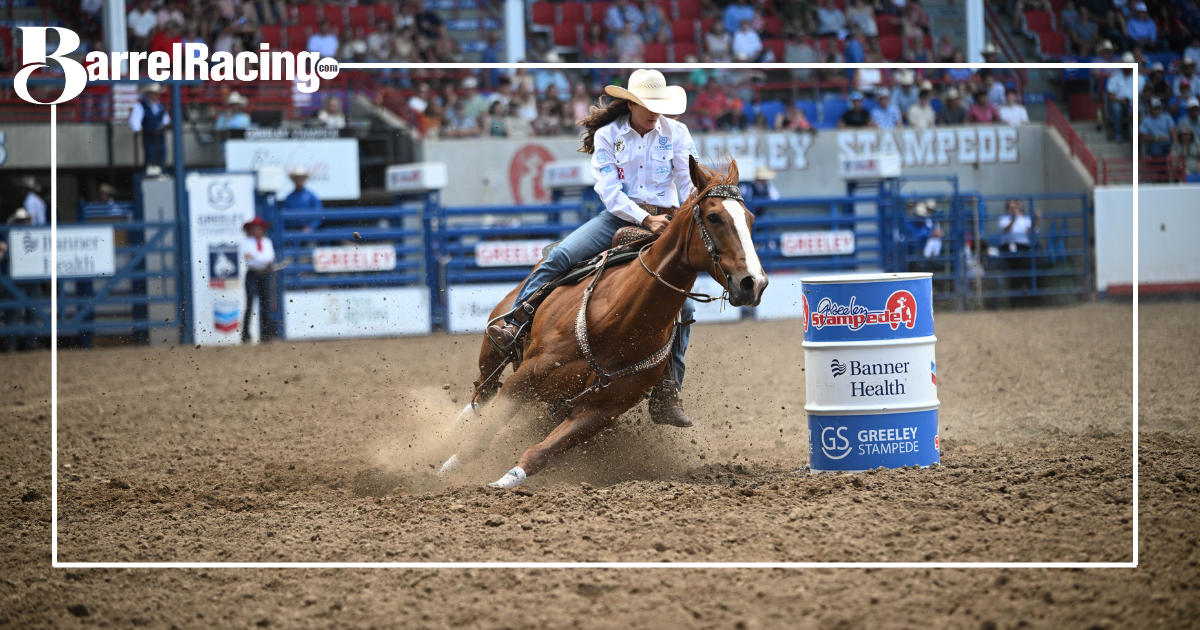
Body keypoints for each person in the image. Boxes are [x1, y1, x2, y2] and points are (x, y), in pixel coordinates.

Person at [486, 69, 699, 428]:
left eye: (659, 105)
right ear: (631, 103)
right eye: (647, 104)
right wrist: (645, 220)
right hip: (619, 217)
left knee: (685, 305)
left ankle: (667, 391)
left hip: (666, 221)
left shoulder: (677, 133)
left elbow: (689, 180)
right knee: (560, 257)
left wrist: (679, 218)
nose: (654, 111)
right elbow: (610, 192)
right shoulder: (608, 135)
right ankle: (515, 322)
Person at [240, 216, 277, 344]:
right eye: (254, 228)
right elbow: (254, 259)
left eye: (259, 228)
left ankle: (266, 335)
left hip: (265, 274)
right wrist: (260, 258)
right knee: (250, 304)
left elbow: (269, 257)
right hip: (253, 274)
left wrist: (255, 256)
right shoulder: (247, 242)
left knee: (265, 304)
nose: (257, 231)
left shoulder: (267, 242)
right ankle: (245, 335)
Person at [998, 198, 1038, 304]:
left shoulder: (1025, 219)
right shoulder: (1004, 219)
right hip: (1010, 246)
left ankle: (1026, 297)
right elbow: (1006, 229)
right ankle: (1016, 299)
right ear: (1007, 209)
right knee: (1016, 267)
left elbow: (1031, 232)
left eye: (1015, 207)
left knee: (1023, 267)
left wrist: (1036, 219)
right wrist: (1013, 219)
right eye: (1011, 207)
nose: (1013, 209)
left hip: (1023, 247)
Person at [129, 83, 170, 173]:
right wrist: (138, 129)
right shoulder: (141, 106)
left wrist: (165, 127)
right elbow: (135, 121)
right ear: (148, 93)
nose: (155, 95)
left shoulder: (161, 107)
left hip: (159, 135)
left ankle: (161, 171)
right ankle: (150, 171)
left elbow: (166, 121)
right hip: (148, 135)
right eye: (153, 93)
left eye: (156, 93)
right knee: (149, 154)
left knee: (161, 153)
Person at [282, 167, 323, 232]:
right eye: (297, 178)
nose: (299, 180)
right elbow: (284, 216)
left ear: (304, 179)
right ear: (294, 180)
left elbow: (318, 214)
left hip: (308, 231)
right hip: (293, 231)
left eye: (301, 178)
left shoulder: (311, 196)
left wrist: (311, 227)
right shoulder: (289, 198)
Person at [1107, 53, 1136, 141]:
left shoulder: (1138, 77)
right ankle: (1118, 135)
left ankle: (1136, 137)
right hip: (1119, 103)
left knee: (1137, 106)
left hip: (1133, 103)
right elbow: (1110, 96)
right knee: (1116, 108)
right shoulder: (1114, 77)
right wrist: (1119, 100)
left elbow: (1142, 93)